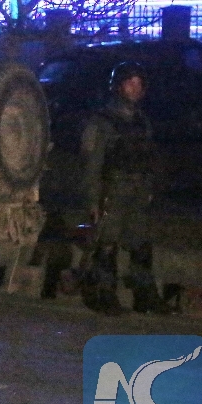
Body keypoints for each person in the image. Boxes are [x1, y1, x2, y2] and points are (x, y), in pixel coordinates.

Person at [80, 61, 167, 315]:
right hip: (113, 190)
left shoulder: (142, 121)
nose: (135, 88)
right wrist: (93, 200)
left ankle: (145, 296)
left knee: (140, 244)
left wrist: (150, 189)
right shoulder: (102, 121)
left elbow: (149, 158)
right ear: (118, 86)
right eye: (130, 83)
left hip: (138, 191)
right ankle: (103, 295)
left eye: (139, 84)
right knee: (106, 244)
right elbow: (92, 164)